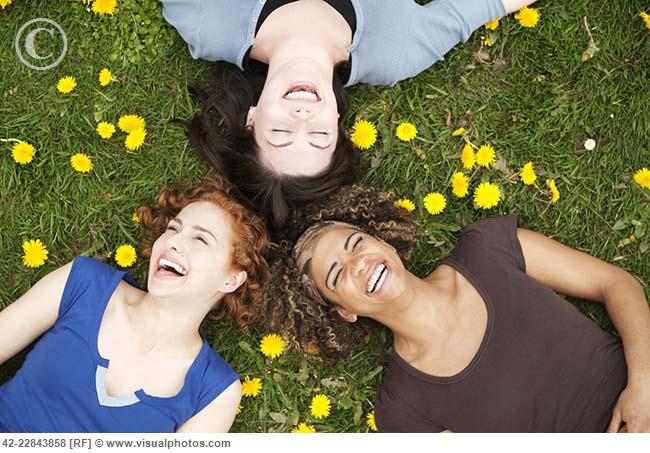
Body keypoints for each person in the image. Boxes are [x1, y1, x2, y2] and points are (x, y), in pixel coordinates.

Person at [263, 185, 650, 432]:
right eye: (337, 275)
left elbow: (615, 283)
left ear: (382, 241)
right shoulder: (403, 411)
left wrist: (642, 387)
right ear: (343, 311)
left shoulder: (487, 250)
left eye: (356, 244)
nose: (358, 264)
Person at [159, 0, 540, 230]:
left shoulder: (209, 21)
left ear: (252, 119)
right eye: (318, 136)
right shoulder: (396, 51)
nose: (303, 115)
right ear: (338, 126)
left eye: (281, 131)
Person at [0, 175, 270, 433]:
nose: (173, 241)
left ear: (231, 280)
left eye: (200, 239)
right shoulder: (84, 283)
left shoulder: (214, 391)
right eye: (173, 228)